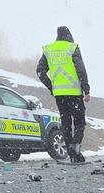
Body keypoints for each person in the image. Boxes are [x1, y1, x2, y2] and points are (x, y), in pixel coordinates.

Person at [37, 26, 90, 163]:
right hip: (74, 93)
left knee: (65, 123)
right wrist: (86, 89)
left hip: (59, 95)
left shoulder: (49, 50)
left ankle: (71, 152)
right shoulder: (72, 48)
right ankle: (75, 149)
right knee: (79, 122)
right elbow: (81, 69)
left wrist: (52, 87)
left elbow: (40, 71)